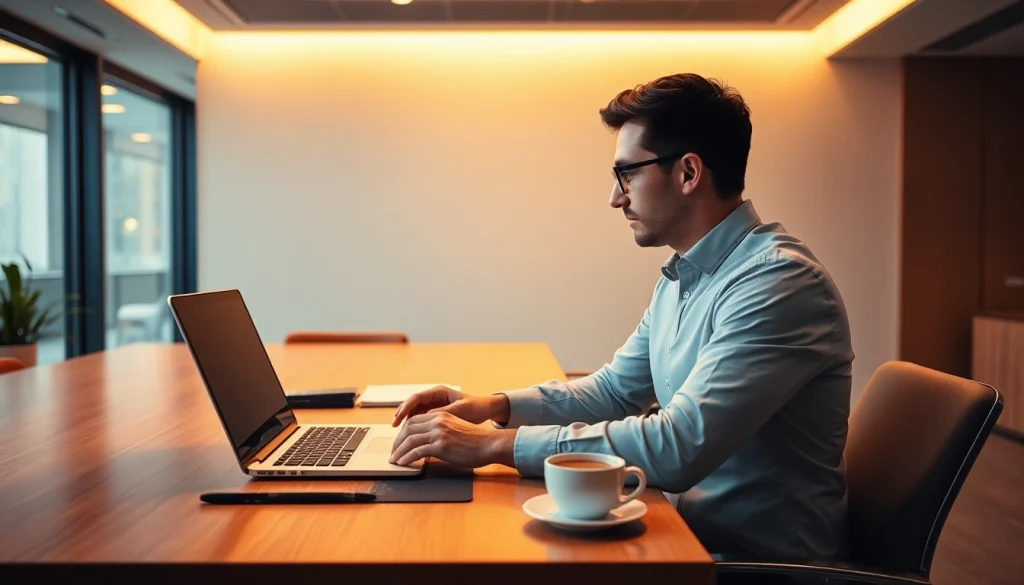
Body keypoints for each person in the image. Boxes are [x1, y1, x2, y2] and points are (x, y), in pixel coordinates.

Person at [389, 73, 854, 562]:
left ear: (689, 173)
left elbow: (679, 446)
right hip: (682, 537)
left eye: (626, 173)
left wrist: (493, 446)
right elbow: (614, 392)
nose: (616, 197)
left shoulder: (777, 284)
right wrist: (488, 406)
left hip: (752, 567)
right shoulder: (686, 275)